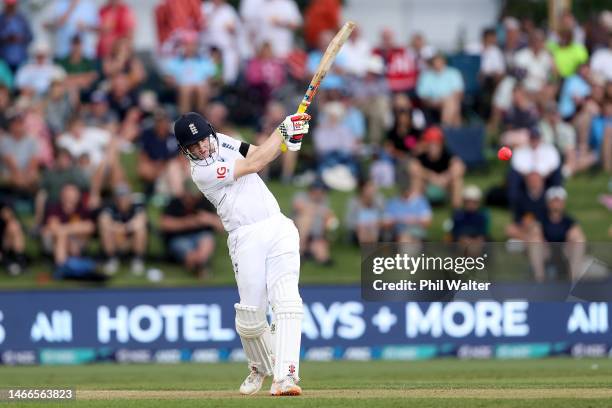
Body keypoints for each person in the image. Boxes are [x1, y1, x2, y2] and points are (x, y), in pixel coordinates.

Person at [172, 110, 310, 395]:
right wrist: (283, 130)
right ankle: (260, 367)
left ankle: (286, 377)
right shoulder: (202, 173)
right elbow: (255, 163)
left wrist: (288, 141)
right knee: (250, 318)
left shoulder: (220, 140)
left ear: (209, 132)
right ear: (185, 151)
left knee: (287, 300)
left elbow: (259, 152)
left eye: (203, 140)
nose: (202, 148)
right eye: (193, 146)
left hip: (278, 225)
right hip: (244, 237)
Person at [159, 180, 222, 278]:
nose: (194, 198)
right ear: (185, 192)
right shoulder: (175, 203)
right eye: (191, 195)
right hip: (179, 238)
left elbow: (221, 227)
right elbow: (164, 224)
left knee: (206, 239)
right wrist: (189, 222)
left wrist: (208, 219)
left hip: (200, 237)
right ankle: (199, 266)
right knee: (184, 247)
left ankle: (199, 263)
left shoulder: (204, 203)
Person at [98, 184, 148, 276]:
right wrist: (117, 228)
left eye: (125, 196)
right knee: (106, 231)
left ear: (129, 197)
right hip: (116, 240)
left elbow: (141, 220)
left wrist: (124, 228)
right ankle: (111, 259)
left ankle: (137, 260)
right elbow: (103, 221)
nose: (122, 200)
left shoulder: (137, 205)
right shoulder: (110, 205)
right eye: (120, 197)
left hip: (130, 241)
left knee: (141, 230)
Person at [410, 126, 465, 208]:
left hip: (444, 184)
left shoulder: (446, 153)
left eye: (436, 144)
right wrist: (432, 177)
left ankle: (457, 209)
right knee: (416, 180)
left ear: (441, 144)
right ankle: (415, 208)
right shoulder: (422, 155)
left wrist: (445, 177)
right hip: (427, 184)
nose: (433, 147)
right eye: (431, 144)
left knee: (457, 181)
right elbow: (413, 168)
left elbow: (460, 167)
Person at [292, 180, 336, 265]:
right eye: (322, 191)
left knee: (322, 254)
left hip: (314, 236)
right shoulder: (301, 196)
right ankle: (301, 251)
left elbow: (329, 218)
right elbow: (299, 206)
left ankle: (308, 254)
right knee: (306, 218)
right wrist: (321, 211)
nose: (324, 194)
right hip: (297, 235)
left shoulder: (324, 201)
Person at [0, 0, 33, 73]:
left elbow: (30, 36)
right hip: (3, 59)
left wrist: (21, 38)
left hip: (20, 58)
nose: (11, 7)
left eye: (12, 5)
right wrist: (7, 38)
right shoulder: (1, 19)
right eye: (9, 5)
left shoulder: (22, 19)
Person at [0, 200, 26, 276]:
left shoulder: (14, 221)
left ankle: (21, 263)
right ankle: (9, 265)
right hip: (3, 249)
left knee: (14, 227)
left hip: (9, 246)